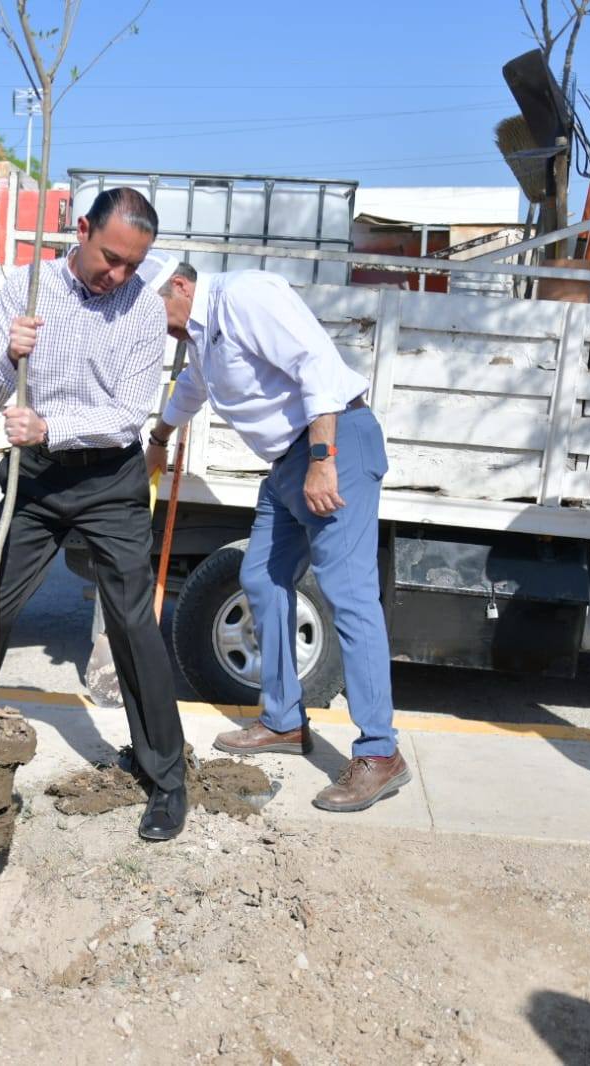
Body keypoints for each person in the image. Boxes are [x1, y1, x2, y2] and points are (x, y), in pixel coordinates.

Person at [0, 187, 190, 842]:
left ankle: (167, 778)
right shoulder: (25, 288)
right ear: (83, 229)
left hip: (109, 479)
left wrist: (48, 424)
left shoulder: (144, 311)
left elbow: (125, 416)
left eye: (134, 263)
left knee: (131, 622)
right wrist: (11, 355)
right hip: (35, 479)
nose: (120, 275)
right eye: (111, 257)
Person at [146, 261, 405, 813]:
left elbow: (316, 363)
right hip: (286, 466)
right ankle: (284, 720)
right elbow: (193, 387)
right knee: (260, 577)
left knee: (351, 598)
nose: (155, 323)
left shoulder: (245, 295)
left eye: (154, 307)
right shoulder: (201, 332)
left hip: (331, 448)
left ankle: (380, 754)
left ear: (181, 286)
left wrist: (322, 459)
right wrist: (160, 435)